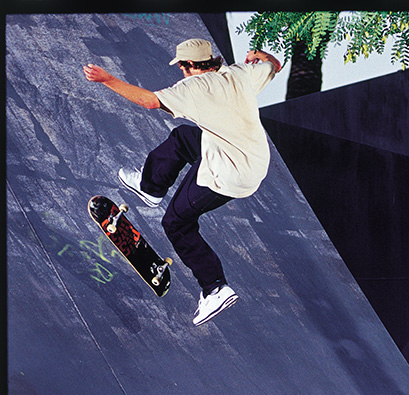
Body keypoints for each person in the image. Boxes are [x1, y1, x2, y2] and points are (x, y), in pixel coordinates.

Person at [83, 38, 282, 325]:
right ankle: (150, 187)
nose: (182, 73)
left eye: (182, 67)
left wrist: (107, 79)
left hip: (229, 173)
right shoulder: (239, 73)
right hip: (252, 159)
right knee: (183, 138)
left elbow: (149, 101)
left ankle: (215, 288)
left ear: (190, 66)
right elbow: (274, 64)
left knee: (176, 223)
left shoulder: (195, 87)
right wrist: (260, 54)